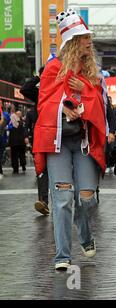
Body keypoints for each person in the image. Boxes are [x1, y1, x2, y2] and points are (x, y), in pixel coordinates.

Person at [33, 8, 107, 270]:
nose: (89, 41)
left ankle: (85, 234)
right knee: (63, 198)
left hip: (84, 141)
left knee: (87, 198)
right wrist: (62, 108)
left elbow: (99, 106)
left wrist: (84, 90)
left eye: (88, 36)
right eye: (84, 37)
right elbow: (43, 103)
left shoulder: (91, 72)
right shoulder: (53, 68)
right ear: (73, 41)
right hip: (58, 142)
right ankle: (62, 255)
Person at [20, 67, 50, 215]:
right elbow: (25, 89)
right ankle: (43, 202)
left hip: (61, 138)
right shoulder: (40, 94)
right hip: (43, 137)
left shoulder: (62, 91)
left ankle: (70, 200)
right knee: (42, 169)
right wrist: (39, 77)